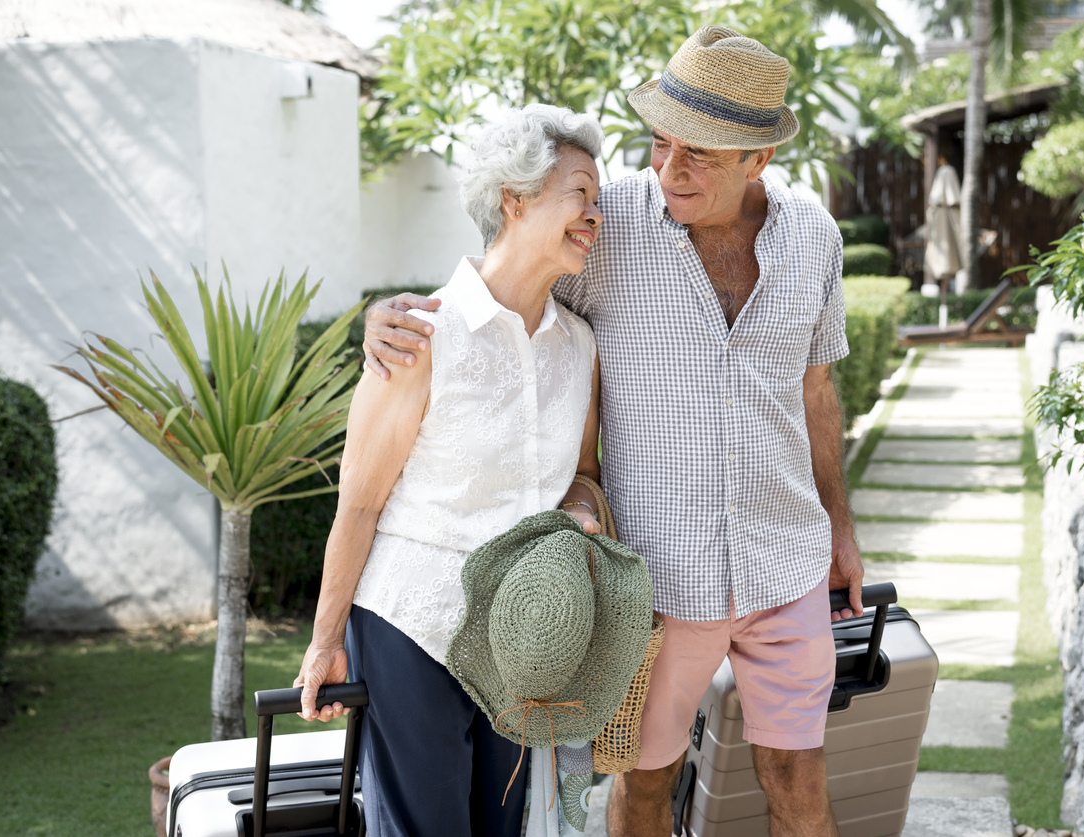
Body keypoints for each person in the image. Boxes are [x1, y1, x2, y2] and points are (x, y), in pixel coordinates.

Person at [363, 27, 866, 837]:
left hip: (786, 560)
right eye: (660, 144)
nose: (670, 169)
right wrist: (390, 316)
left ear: (758, 160)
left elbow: (816, 389)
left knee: (797, 776)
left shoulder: (815, 239)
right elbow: (501, 281)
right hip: (657, 577)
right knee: (643, 782)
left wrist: (840, 525)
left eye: (698, 154)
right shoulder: (612, 223)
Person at [294, 104, 610, 837]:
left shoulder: (580, 348)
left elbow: (581, 475)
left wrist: (581, 514)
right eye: (580, 196)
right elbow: (360, 504)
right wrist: (324, 639)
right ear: (516, 197)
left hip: (521, 637)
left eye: (598, 200)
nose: (596, 215)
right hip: (413, 624)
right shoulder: (418, 336)